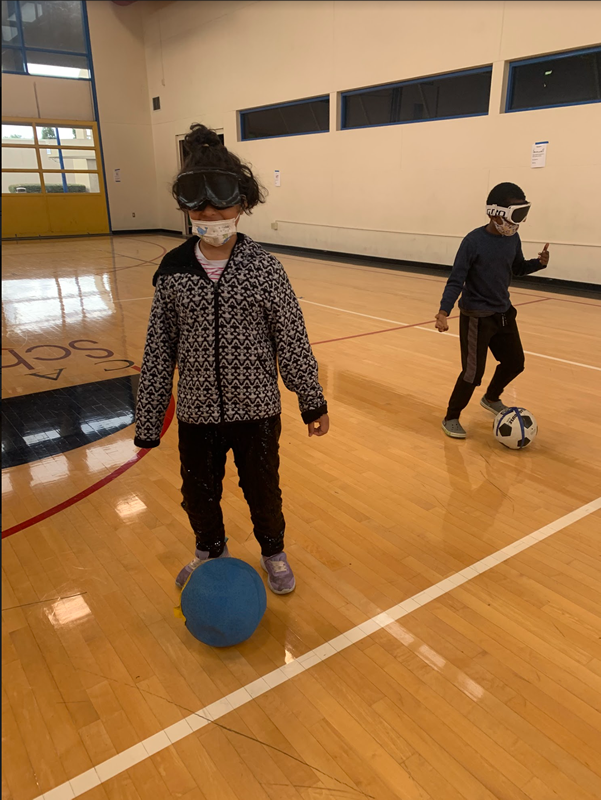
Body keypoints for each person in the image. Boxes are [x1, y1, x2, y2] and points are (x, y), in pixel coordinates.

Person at [134, 124, 329, 594]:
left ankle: (272, 551)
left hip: (257, 410)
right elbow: (159, 349)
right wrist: (147, 419)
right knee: (197, 492)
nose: (210, 213)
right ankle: (209, 550)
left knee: (263, 489)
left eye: (221, 202)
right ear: (184, 207)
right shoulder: (174, 272)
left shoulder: (264, 268)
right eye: (197, 204)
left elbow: (292, 337)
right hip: (198, 412)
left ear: (243, 204)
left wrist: (312, 399)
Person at [435, 182, 550, 439]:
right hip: (477, 317)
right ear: (494, 213)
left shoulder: (513, 238)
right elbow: (456, 279)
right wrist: (444, 311)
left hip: (503, 313)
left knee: (515, 363)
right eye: (514, 214)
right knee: (473, 373)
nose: (516, 223)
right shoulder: (473, 241)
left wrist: (538, 264)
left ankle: (491, 398)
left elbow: (516, 267)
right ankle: (451, 416)